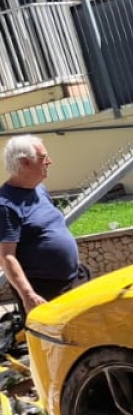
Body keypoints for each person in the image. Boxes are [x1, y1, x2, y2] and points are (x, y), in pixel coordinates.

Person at [0, 135, 82, 315]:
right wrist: (28, 295)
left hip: (73, 279)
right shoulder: (5, 205)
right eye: (43, 157)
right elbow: (6, 257)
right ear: (25, 162)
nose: (49, 162)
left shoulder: (39, 189)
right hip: (44, 291)